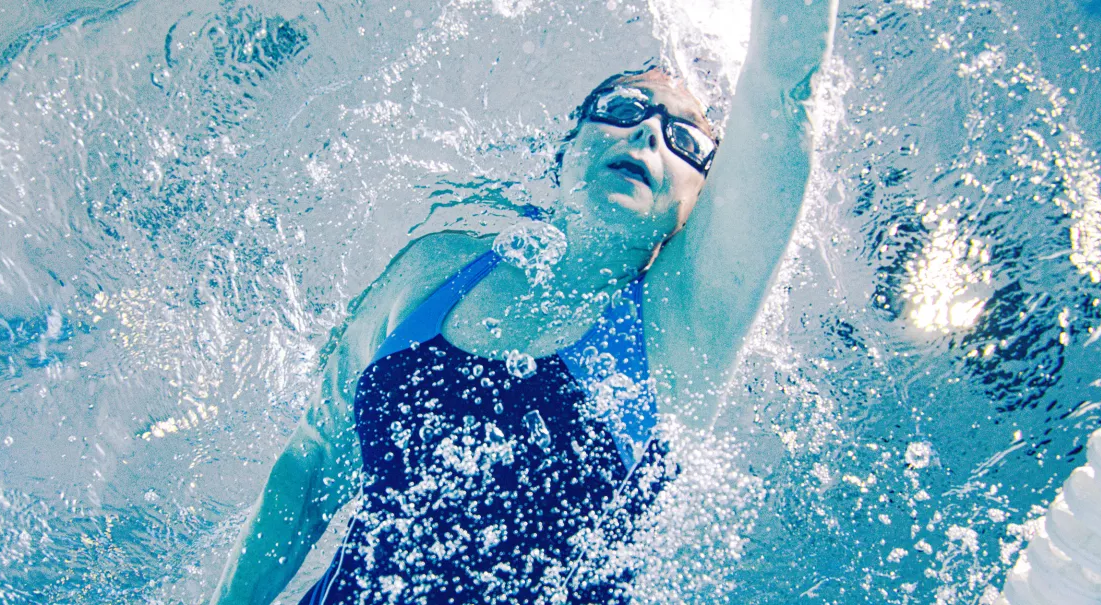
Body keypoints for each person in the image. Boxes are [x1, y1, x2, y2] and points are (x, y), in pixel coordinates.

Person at [213, 0, 838, 602]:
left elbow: (784, 98)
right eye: (623, 107)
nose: (648, 131)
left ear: (702, 203)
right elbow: (316, 460)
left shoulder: (681, 327)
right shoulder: (434, 269)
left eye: (687, 141)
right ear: (568, 146)